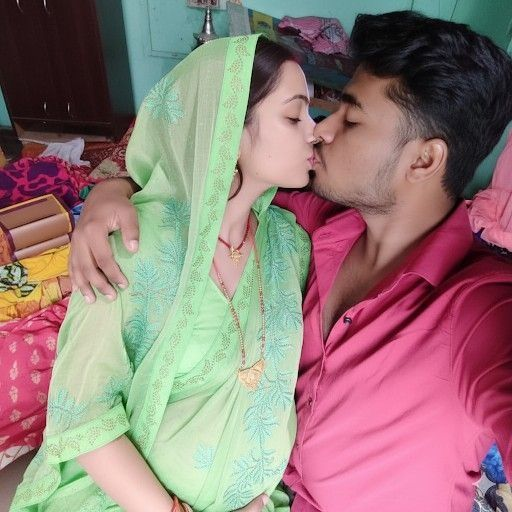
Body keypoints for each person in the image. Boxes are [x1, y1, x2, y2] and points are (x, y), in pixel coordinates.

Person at [69, 10, 512, 511]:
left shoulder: (481, 308)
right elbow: (208, 170)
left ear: (424, 160)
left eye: (351, 119)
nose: (321, 132)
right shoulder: (314, 222)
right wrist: (114, 190)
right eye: (304, 115)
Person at [10, 34, 317, 512]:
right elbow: (83, 412)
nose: (315, 131)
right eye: (295, 116)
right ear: (226, 127)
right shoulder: (135, 244)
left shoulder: (288, 243)